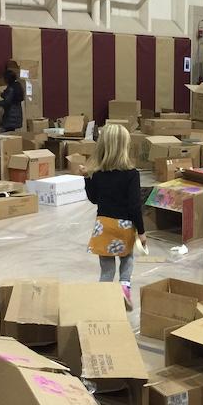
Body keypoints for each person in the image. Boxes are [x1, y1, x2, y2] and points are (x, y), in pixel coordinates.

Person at [82, 124, 146, 311]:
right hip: (124, 225)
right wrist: (141, 232)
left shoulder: (97, 173)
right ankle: (124, 286)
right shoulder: (132, 174)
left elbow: (94, 199)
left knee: (107, 268)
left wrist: (87, 178)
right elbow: (135, 206)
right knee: (127, 259)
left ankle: (103, 298)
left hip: (103, 225)